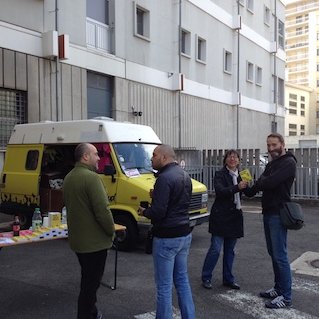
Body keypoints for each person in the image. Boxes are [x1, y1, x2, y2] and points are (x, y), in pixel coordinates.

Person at [138, 144, 195, 319]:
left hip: (167, 237)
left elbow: (158, 212)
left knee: (164, 286)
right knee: (182, 280)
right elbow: (178, 203)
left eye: (154, 155)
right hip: (184, 233)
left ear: (164, 157)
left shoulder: (164, 178)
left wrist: (144, 212)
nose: (151, 158)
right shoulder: (185, 175)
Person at [63, 143, 115, 319]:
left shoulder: (69, 177)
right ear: (85, 157)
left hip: (79, 242)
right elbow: (103, 211)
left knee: (88, 280)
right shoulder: (92, 178)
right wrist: (111, 232)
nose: (99, 157)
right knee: (90, 285)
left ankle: (91, 312)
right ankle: (86, 315)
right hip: (95, 243)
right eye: (95, 154)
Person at [246, 133, 297, 309]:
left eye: (274, 145)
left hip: (278, 213)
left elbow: (269, 182)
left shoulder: (289, 162)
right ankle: (278, 288)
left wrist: (261, 182)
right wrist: (248, 188)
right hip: (268, 212)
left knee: (280, 255)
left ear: (282, 144)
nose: (270, 149)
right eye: (268, 145)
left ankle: (287, 297)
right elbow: (262, 182)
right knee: (273, 253)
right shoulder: (273, 163)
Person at [201, 149, 248, 290]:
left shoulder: (242, 175)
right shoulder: (220, 174)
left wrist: (254, 185)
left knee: (230, 250)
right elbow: (220, 192)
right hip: (220, 216)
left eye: (235, 157)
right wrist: (237, 187)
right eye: (230, 156)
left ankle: (228, 279)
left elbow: (249, 192)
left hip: (235, 216)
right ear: (225, 160)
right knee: (215, 248)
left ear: (239, 160)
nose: (232, 159)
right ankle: (206, 277)